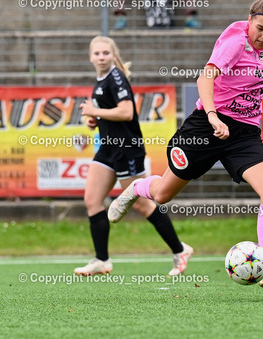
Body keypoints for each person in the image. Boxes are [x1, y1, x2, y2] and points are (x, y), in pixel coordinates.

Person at [108, 0, 263, 290]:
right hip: (206, 130)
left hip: (244, 134)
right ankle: (135, 188)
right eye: (260, 29)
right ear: (249, 20)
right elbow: (205, 77)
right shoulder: (234, 41)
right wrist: (212, 116)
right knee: (162, 195)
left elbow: (262, 61)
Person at [74, 36, 193, 277]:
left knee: (141, 203)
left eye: (105, 53)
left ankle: (180, 250)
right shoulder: (101, 80)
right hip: (108, 148)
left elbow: (126, 112)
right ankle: (101, 260)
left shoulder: (116, 77)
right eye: (97, 53)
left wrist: (94, 110)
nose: (101, 57)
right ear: (90, 57)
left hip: (127, 149)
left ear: (113, 55)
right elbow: (110, 112)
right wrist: (95, 119)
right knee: (92, 201)